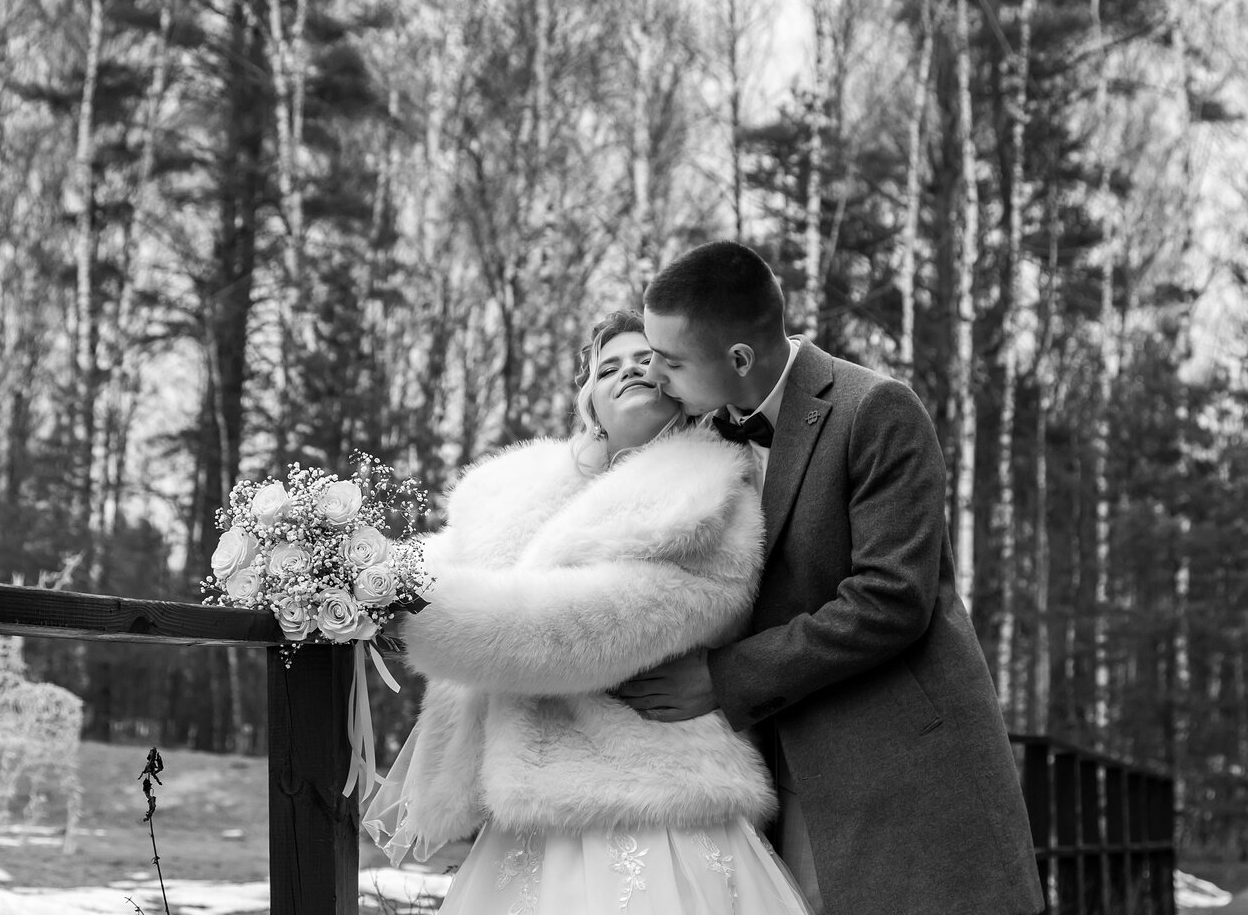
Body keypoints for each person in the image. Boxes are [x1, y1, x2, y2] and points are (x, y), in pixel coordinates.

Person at [615, 241, 1045, 915]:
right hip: (765, 770)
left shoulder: (876, 410)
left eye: (670, 361)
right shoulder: (698, 436)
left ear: (739, 359)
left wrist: (724, 678)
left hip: (896, 765)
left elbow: (890, 600)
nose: (656, 374)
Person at [364, 310, 814, 915]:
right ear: (591, 404)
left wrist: (406, 602)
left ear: (681, 388)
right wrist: (337, 565)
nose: (629, 371)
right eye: (608, 368)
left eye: (646, 360)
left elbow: (576, 632)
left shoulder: (710, 502)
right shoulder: (514, 499)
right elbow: (437, 563)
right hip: (528, 810)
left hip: (656, 795)